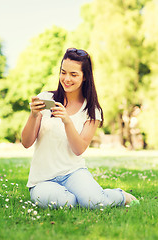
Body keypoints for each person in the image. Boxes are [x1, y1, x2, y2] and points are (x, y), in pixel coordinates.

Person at [21, 48, 137, 209]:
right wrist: (33, 115)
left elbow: (79, 149)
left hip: (74, 173)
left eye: (73, 74)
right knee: (65, 203)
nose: (66, 79)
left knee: (96, 203)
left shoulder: (92, 110)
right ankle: (83, 195)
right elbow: (26, 143)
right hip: (42, 179)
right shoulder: (45, 98)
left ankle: (119, 195)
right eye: (63, 72)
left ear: (85, 77)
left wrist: (67, 121)